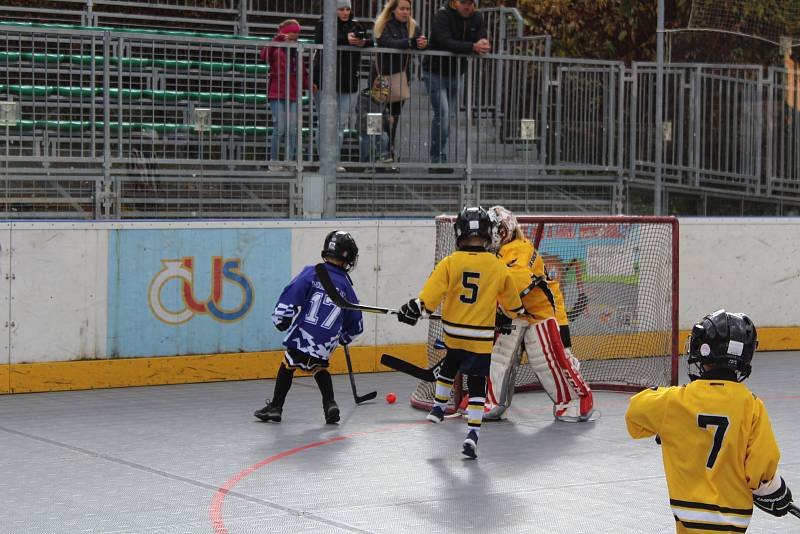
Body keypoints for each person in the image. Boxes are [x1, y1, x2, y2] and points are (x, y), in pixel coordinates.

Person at [626, 310, 794, 532]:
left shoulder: (675, 402)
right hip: (734, 520)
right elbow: (761, 468)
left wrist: (673, 425)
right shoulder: (751, 406)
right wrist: (774, 490)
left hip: (688, 516)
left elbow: (634, 414)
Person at [396, 206, 524, 458]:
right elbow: (514, 306)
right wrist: (505, 317)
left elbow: (429, 298)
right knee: (476, 385)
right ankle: (473, 435)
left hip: (453, 334)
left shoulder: (450, 262)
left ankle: (439, 407)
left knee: (449, 367)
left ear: (459, 233)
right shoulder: (497, 265)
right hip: (481, 339)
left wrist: (414, 309)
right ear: (488, 234)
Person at [484, 206, 595, 422]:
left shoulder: (518, 250)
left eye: (490, 231)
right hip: (517, 313)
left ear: (503, 232)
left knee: (549, 362)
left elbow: (516, 284)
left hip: (539, 314)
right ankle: (492, 402)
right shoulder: (504, 250)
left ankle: (576, 402)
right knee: (499, 358)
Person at [254, 230, 363, 424]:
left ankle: (276, 407)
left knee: (288, 364)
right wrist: (344, 337)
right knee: (319, 367)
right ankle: (330, 404)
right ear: (347, 256)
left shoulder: (312, 272)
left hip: (304, 333)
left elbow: (292, 293)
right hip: (325, 340)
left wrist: (282, 318)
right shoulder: (346, 286)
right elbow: (355, 321)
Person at [422, 0, 490, 168]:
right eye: (463, 2)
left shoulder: (477, 17)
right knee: (443, 116)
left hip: (456, 73)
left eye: (470, 3)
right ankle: (437, 159)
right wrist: (473, 46)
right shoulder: (442, 15)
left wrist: (483, 44)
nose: (466, 6)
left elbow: (482, 36)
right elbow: (446, 42)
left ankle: (439, 157)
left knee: (447, 118)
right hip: (434, 71)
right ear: (454, 2)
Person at [313, 0, 372, 170]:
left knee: (341, 123)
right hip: (325, 80)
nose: (345, 12)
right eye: (341, 9)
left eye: (348, 9)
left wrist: (362, 42)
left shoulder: (356, 25)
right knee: (324, 122)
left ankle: (334, 160)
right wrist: (345, 39)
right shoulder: (323, 23)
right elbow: (320, 39)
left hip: (348, 82)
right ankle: (322, 159)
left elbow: (370, 41)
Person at [373, 0, 428, 162]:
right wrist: (410, 42)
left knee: (393, 119)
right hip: (379, 77)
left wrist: (422, 44)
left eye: (408, 9)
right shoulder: (383, 24)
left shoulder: (412, 26)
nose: (405, 12)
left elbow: (420, 44)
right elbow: (387, 42)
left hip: (399, 79)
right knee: (374, 116)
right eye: (402, 9)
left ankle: (388, 154)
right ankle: (372, 153)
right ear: (393, 9)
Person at [263, 19, 311, 172]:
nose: (294, 37)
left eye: (296, 34)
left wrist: (309, 85)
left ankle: (289, 160)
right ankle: (274, 160)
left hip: (293, 94)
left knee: (292, 128)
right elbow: (264, 56)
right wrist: (277, 40)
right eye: (291, 34)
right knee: (280, 126)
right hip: (276, 93)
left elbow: (302, 72)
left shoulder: (298, 50)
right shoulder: (276, 46)